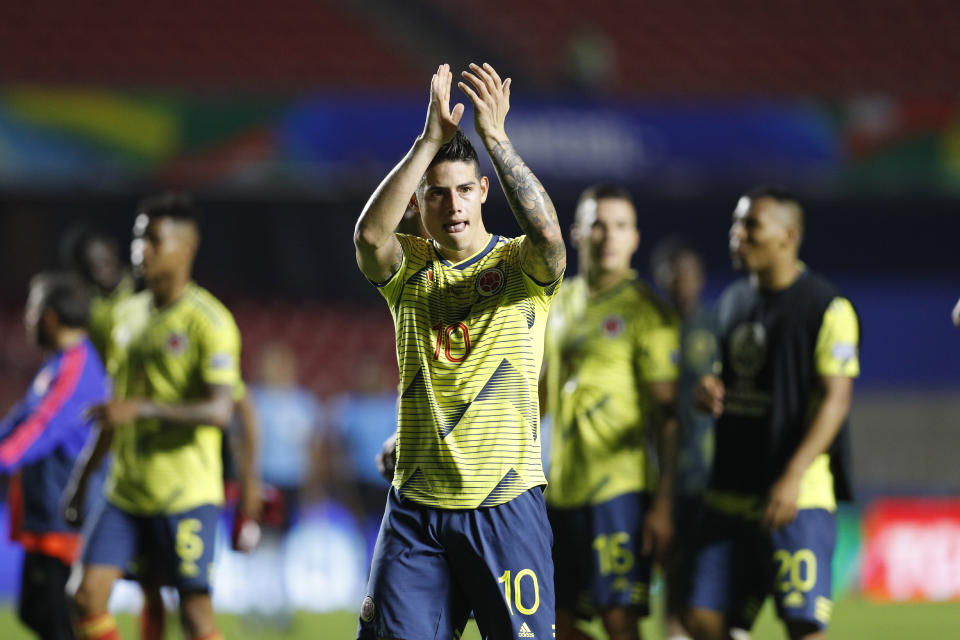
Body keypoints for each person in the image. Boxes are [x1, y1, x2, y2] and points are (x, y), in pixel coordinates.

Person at [353, 63, 565, 640]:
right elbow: (371, 239)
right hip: (416, 511)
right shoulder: (410, 269)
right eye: (437, 194)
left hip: (505, 506)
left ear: (484, 192)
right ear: (418, 205)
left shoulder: (520, 267)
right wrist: (427, 144)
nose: (453, 206)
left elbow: (550, 237)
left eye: (465, 190)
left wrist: (496, 138)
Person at [62, 218, 262, 640]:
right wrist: (82, 479)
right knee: (94, 595)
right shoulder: (124, 316)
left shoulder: (206, 321)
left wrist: (248, 490)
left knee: (191, 612)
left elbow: (235, 409)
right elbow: (117, 408)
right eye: (137, 239)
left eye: (151, 240)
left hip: (186, 490)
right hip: (128, 487)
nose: (141, 250)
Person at [683, 188, 860, 640]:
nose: (736, 235)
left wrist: (794, 475)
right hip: (730, 492)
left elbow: (836, 400)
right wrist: (710, 390)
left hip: (794, 497)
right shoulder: (733, 303)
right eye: (735, 224)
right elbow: (733, 377)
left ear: (788, 236)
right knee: (703, 619)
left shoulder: (827, 307)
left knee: (802, 625)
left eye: (751, 225)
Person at [543, 185, 679, 640]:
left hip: (619, 492)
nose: (609, 236)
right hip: (561, 490)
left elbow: (668, 417)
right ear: (577, 233)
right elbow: (539, 395)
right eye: (598, 224)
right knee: (551, 626)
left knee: (620, 622)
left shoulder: (648, 312)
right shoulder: (557, 301)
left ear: (635, 238)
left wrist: (662, 503)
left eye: (620, 226)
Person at [0, 272, 110, 640]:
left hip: (66, 518)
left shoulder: (78, 367)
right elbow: (22, 418)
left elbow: (44, 427)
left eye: (32, 311)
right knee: (36, 611)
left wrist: (5, 456)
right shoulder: (59, 364)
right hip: (45, 514)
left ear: (49, 316)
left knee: (58, 619)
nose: (27, 320)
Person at [650, 239, 720, 640]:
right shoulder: (651, 328)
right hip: (662, 478)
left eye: (689, 275)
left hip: (708, 477)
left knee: (708, 593)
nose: (682, 284)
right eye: (673, 276)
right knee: (672, 581)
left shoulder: (716, 326)